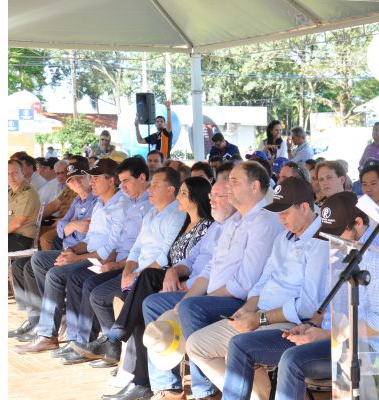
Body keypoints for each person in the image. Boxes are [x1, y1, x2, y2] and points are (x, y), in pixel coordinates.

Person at [221, 191, 379, 400]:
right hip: (328, 336)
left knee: (292, 359)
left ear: (359, 223)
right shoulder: (342, 249)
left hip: (363, 347)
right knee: (240, 344)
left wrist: (327, 334)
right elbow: (328, 305)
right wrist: (311, 326)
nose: (331, 240)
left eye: (336, 233)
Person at [187, 177, 329, 400]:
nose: (280, 218)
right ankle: (257, 394)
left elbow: (307, 306)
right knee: (196, 345)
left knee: (239, 345)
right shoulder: (284, 236)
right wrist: (248, 308)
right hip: (261, 313)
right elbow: (264, 280)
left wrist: (259, 319)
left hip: (291, 323)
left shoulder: (321, 242)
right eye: (278, 212)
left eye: (285, 212)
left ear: (304, 207)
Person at [73, 176, 209, 398]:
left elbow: (199, 266)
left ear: (196, 197)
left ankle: (116, 340)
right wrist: (129, 271)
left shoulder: (206, 226)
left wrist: (179, 278)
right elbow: (163, 256)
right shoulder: (186, 223)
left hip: (184, 284)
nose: (179, 197)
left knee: (143, 285)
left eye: (184, 193)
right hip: (168, 277)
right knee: (137, 303)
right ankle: (139, 380)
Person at [171, 161, 283, 400]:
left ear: (255, 187)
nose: (228, 188)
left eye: (234, 182)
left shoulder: (263, 221)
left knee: (191, 308)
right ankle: (245, 388)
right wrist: (188, 297)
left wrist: (198, 301)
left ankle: (206, 390)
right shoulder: (234, 220)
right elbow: (210, 268)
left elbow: (245, 283)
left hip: (241, 300)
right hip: (227, 298)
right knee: (167, 304)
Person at [14, 159, 129, 354]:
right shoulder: (100, 203)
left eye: (95, 177)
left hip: (105, 260)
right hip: (88, 253)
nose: (90, 181)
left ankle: (54, 335)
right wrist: (73, 250)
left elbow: (110, 250)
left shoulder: (120, 206)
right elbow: (83, 236)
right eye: (90, 176)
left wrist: (76, 258)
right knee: (39, 260)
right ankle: (54, 320)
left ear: (111, 181)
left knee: (58, 274)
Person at [141, 166, 236, 400]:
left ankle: (205, 389)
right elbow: (193, 260)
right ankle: (167, 384)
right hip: (199, 286)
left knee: (189, 307)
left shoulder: (235, 227)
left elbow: (227, 277)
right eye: (212, 197)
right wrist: (174, 271)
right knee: (151, 303)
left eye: (218, 197)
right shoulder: (216, 227)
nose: (212, 201)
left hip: (226, 295)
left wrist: (188, 291)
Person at [8, 159, 41, 251]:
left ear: (22, 173)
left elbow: (17, 223)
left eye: (14, 173)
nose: (11, 177)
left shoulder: (27, 193)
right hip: (11, 236)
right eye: (7, 173)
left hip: (21, 239)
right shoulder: (11, 192)